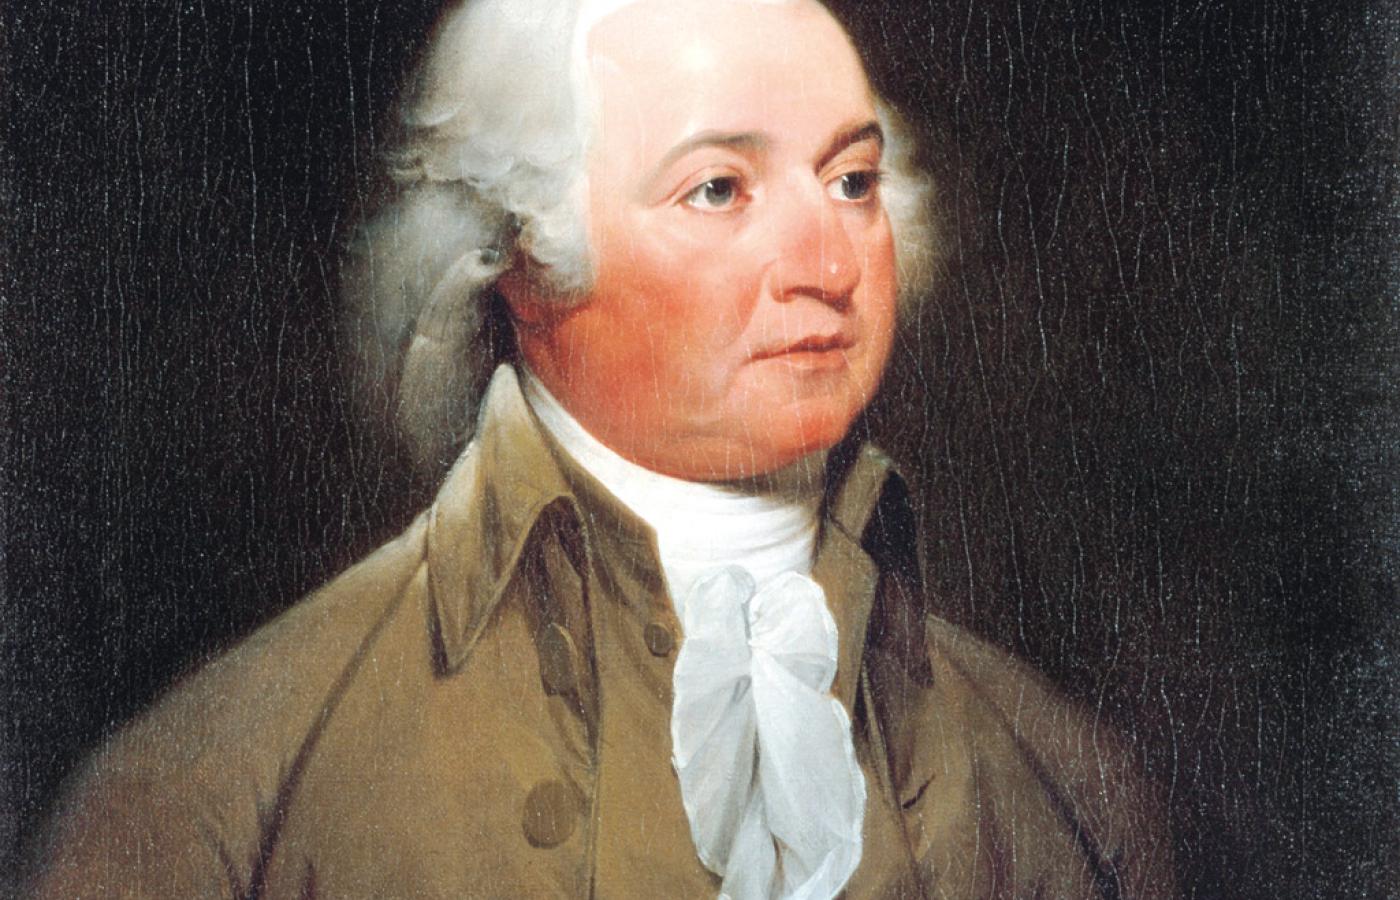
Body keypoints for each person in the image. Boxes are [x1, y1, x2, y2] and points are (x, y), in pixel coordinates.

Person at [25, 0, 1175, 896]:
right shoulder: (222, 796)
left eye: (850, 181)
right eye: (717, 190)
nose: (828, 264)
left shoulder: (1065, 792)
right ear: (519, 255)